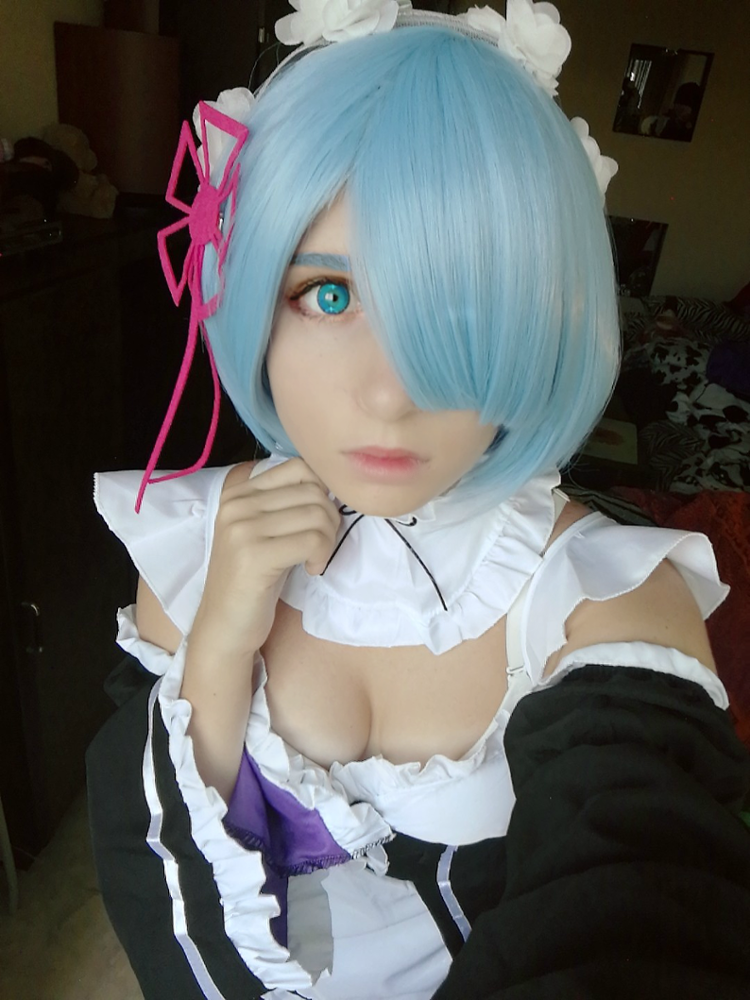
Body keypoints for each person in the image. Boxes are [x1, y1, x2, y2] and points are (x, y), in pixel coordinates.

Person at [87, 3, 750, 998]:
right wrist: (218, 642)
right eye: (330, 294)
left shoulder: (604, 601)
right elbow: (158, 865)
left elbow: (641, 905)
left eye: (461, 305)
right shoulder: (197, 542)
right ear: (256, 291)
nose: (390, 393)